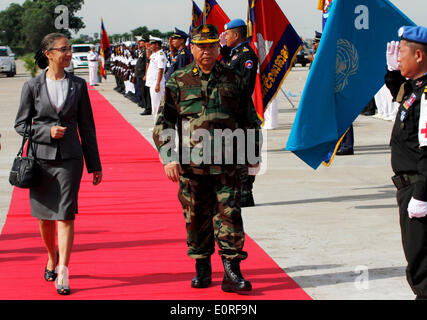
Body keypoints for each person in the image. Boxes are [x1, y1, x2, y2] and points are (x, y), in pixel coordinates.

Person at [153, 24, 260, 293]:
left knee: (231, 216)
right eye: (201, 46)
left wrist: (253, 159)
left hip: (229, 163)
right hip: (192, 165)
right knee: (196, 217)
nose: (206, 51)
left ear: (218, 48)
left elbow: (249, 120)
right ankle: (202, 268)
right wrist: (169, 157)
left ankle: (232, 272)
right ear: (192, 48)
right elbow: (164, 121)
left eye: (212, 45)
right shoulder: (178, 80)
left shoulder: (233, 78)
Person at [14, 33, 103, 295]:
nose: (68, 53)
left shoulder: (78, 85)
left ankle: (63, 269)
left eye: (70, 49)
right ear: (49, 53)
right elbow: (21, 124)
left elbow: (87, 127)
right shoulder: (32, 86)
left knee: (65, 214)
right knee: (44, 218)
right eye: (63, 49)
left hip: (70, 159)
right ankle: (51, 256)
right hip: (40, 159)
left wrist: (94, 164)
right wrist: (46, 132)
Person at [386, 25, 427, 300]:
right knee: (416, 255)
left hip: (417, 185)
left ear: (420, 56)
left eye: (402, 51)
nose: (398, 56)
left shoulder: (426, 94)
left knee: (421, 260)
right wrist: (392, 72)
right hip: (407, 185)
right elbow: (400, 96)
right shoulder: (415, 88)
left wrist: (421, 195)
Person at [219, 18, 259, 208]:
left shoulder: (246, 55)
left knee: (244, 152)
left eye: (227, 34)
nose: (224, 37)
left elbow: (245, 85)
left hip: (241, 110)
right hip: (232, 109)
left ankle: (245, 193)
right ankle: (239, 191)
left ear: (236, 35)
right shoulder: (235, 54)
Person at [145, 36, 167, 125]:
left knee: (157, 105)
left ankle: (159, 125)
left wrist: (158, 84)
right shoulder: (155, 54)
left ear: (157, 45)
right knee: (154, 105)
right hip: (153, 83)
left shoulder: (161, 55)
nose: (150, 45)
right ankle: (156, 124)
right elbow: (149, 57)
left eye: (152, 44)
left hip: (157, 83)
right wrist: (147, 49)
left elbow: (160, 70)